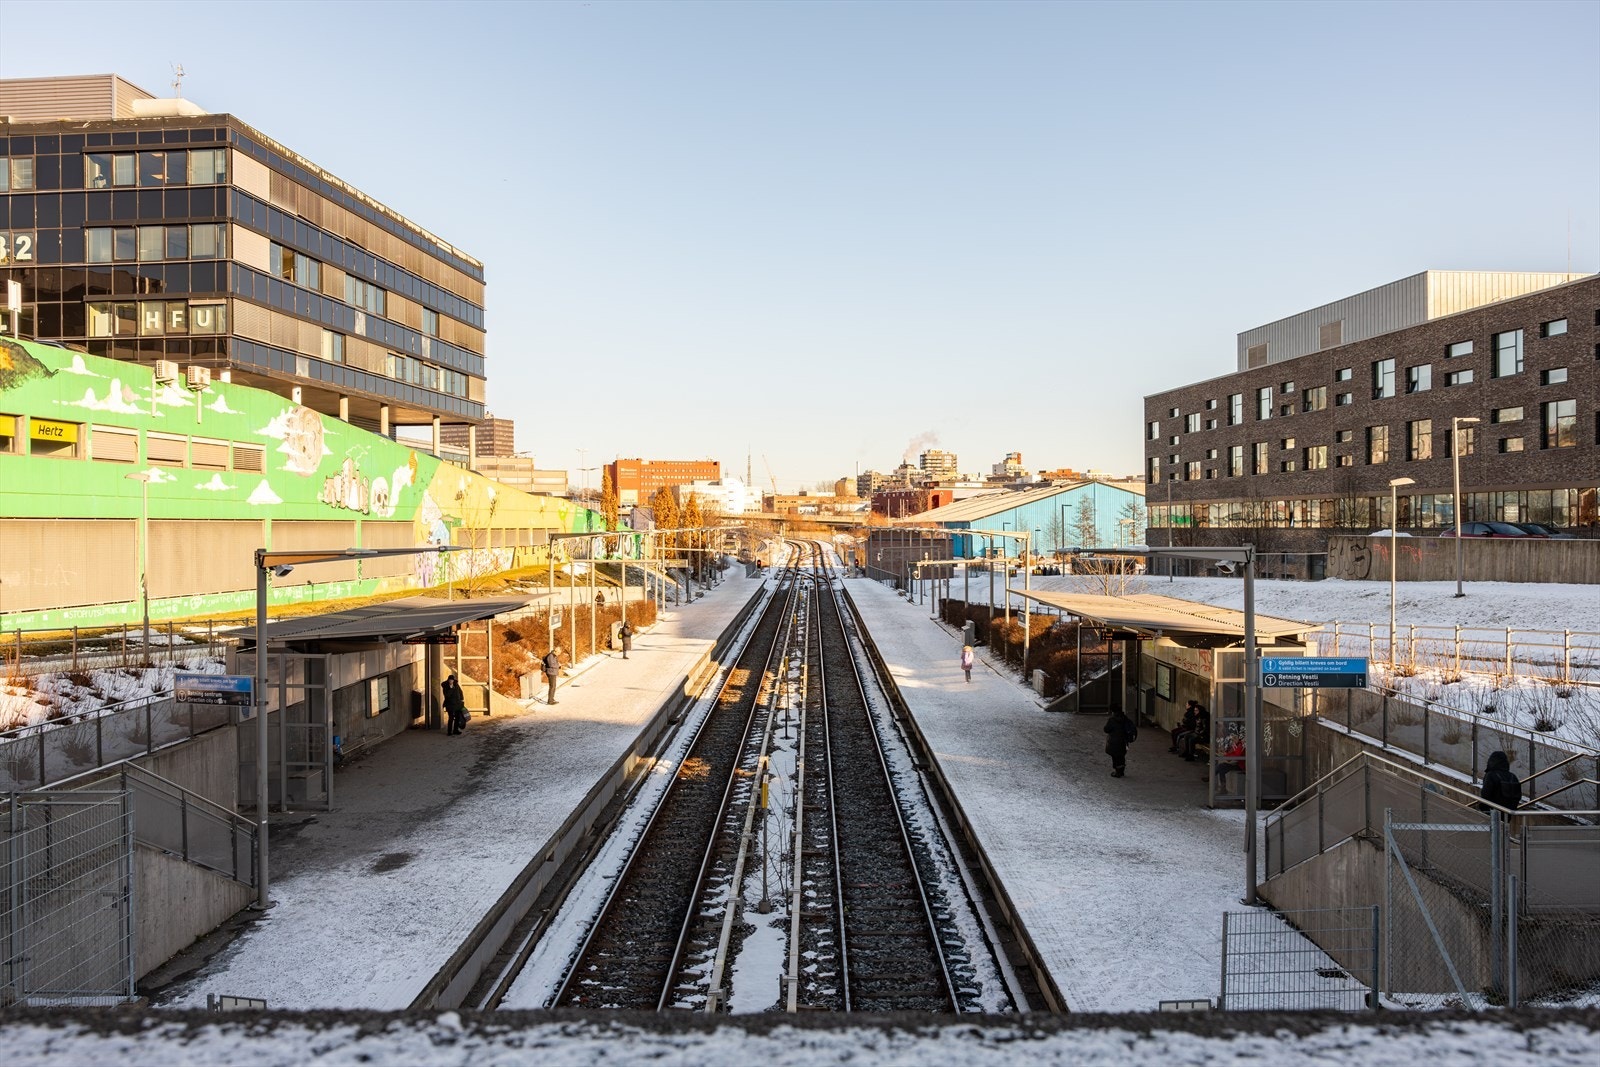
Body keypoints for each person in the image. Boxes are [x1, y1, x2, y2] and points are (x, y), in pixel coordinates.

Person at [1104, 707, 1136, 778]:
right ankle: (1121, 771)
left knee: (1115, 756)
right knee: (1121, 756)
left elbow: (1106, 729)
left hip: (1113, 741)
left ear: (1113, 712)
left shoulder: (1112, 720)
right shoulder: (1125, 719)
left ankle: (1117, 772)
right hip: (1123, 741)